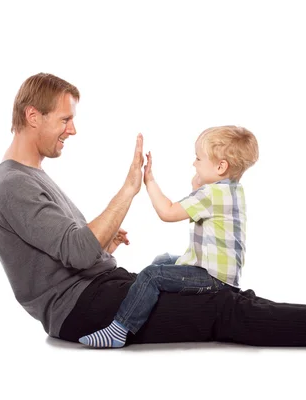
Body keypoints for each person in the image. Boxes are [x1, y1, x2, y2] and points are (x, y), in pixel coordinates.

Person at [0, 72, 306, 350]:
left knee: (219, 296)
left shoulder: (31, 177)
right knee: (226, 310)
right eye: (64, 119)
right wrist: (129, 190)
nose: (73, 129)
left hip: (102, 289)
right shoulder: (10, 184)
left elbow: (69, 245)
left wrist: (105, 237)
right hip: (82, 311)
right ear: (33, 116)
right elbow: (78, 251)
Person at [78, 126, 258, 348]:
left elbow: (168, 212)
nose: (194, 164)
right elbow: (202, 208)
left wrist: (150, 182)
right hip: (218, 271)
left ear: (221, 166)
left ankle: (119, 330)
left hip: (214, 278)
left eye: (198, 159)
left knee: (153, 275)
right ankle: (146, 302)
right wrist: (197, 185)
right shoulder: (233, 190)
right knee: (163, 260)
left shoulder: (211, 194)